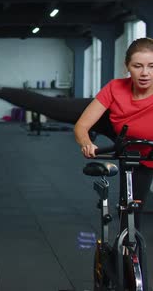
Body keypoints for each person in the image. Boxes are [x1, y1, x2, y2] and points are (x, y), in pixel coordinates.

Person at [75, 37, 153, 230]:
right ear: (127, 65)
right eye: (137, 66)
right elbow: (81, 126)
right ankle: (128, 255)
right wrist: (86, 143)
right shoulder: (115, 88)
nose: (145, 73)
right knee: (129, 214)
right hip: (132, 156)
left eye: (152, 66)